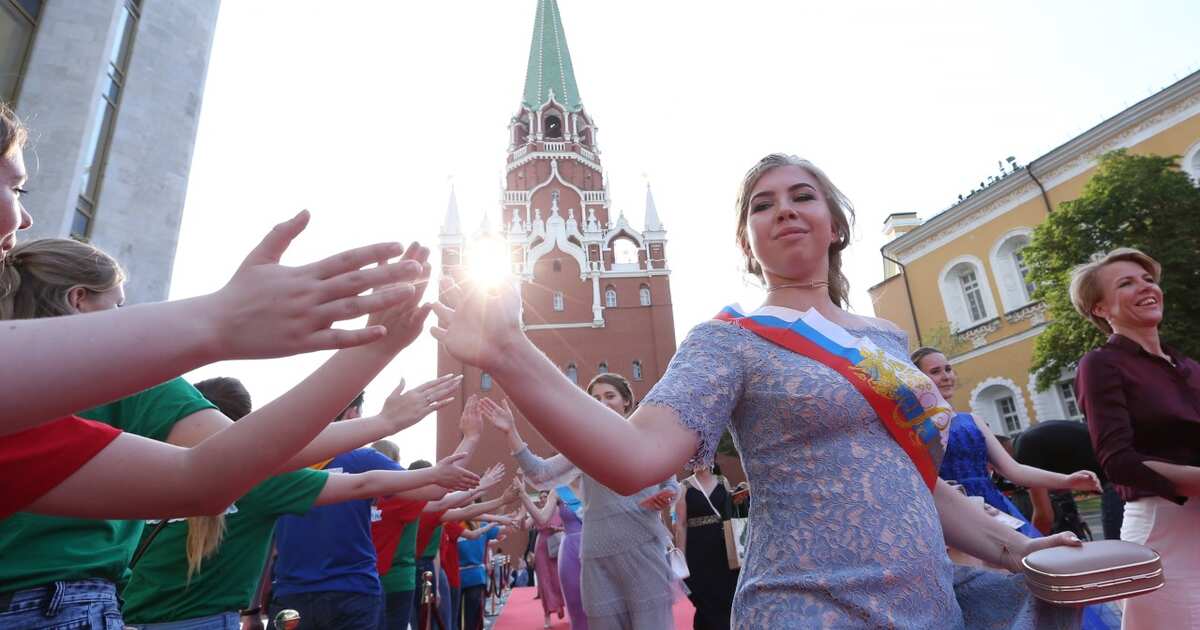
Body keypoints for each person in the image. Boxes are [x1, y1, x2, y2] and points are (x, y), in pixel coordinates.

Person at [433, 153, 1082, 629]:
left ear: (835, 225)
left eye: (803, 196)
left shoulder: (884, 340)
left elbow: (916, 478)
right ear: (747, 241)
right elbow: (635, 456)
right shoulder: (732, 338)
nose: (783, 210)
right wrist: (511, 353)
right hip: (805, 604)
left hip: (926, 602)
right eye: (762, 205)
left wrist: (1016, 548)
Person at [0, 104, 432, 523]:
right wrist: (225, 319)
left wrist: (373, 358)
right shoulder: (133, 385)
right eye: (15, 188)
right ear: (77, 299)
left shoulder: (24, 429)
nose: (25, 219)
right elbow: (208, 472)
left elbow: (200, 481)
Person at [0, 234, 435, 630]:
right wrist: (380, 403)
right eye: (116, 306)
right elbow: (220, 464)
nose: (123, 317)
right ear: (77, 300)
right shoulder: (123, 382)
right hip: (65, 608)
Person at [117, 378, 478, 630]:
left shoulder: (142, 469)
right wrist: (462, 445)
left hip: (130, 616)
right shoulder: (262, 479)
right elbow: (401, 488)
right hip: (348, 593)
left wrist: (255, 609)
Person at [481, 374, 680, 630]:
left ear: (627, 401)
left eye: (610, 396)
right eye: (596, 398)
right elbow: (540, 475)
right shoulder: (584, 446)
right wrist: (511, 432)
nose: (603, 402)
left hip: (642, 546)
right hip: (598, 554)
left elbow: (671, 482)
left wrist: (668, 496)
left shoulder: (649, 437)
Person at [1070, 247, 1200, 629]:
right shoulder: (1100, 365)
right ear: (1100, 308)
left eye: (1148, 279)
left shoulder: (1189, 367)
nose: (1146, 287)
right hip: (1164, 534)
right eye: (1126, 283)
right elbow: (1118, 461)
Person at [911, 346, 1101, 538]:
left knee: (1028, 559)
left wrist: (1067, 480)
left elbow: (1014, 470)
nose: (946, 376)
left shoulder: (973, 421)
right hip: (953, 513)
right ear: (918, 380)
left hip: (995, 506)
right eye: (935, 371)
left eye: (948, 369)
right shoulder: (914, 428)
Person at [1013, 420, 1123, 540]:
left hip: (1118, 477)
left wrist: (1027, 547)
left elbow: (1044, 515)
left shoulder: (1023, 451)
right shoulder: (1033, 438)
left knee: (1118, 546)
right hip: (1120, 466)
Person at [674, 463, 739, 630]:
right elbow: (680, 524)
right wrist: (681, 558)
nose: (699, 460)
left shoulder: (722, 482)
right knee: (703, 599)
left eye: (703, 455)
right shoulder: (684, 487)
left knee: (726, 597)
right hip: (697, 551)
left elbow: (731, 513)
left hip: (723, 550)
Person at [516, 487, 566, 628]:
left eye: (545, 496)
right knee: (544, 583)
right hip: (542, 548)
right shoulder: (536, 514)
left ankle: (560, 605)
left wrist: (557, 529)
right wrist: (520, 517)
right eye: (541, 497)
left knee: (558, 579)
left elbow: (567, 526)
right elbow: (524, 526)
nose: (543, 499)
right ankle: (547, 616)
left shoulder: (558, 511)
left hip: (557, 544)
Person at [458, 521, 505, 630]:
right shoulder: (454, 523)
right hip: (459, 576)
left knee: (470, 617)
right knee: (464, 617)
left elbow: (503, 531)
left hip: (474, 576)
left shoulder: (481, 525)